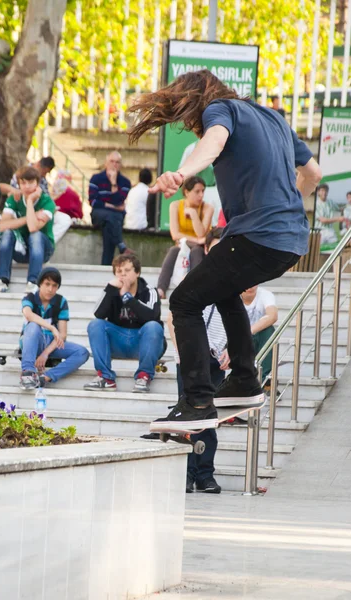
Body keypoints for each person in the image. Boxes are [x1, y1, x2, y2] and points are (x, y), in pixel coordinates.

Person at [128, 68, 321, 432]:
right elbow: (313, 174)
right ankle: (245, 381)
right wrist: (289, 206)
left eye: (190, 118)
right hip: (292, 240)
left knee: (184, 301)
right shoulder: (274, 119)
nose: (193, 126)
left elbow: (214, 141)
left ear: (200, 100)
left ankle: (197, 400)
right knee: (223, 288)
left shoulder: (220, 109)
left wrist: (181, 173)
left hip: (256, 237)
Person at [171, 228, 227, 494]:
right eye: (214, 248)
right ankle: (186, 474)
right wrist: (180, 348)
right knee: (187, 420)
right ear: (206, 250)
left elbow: (237, 322)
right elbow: (174, 316)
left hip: (215, 362)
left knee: (208, 421)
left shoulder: (233, 281)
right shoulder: (193, 278)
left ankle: (205, 475)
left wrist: (232, 351)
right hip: (190, 361)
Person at [84, 253, 165, 393]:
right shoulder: (112, 291)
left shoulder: (149, 291)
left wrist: (127, 297)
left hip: (143, 343)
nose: (123, 275)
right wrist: (110, 289)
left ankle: (143, 376)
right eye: (119, 272)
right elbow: (98, 314)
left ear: (137, 272)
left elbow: (152, 316)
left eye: (127, 271)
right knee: (95, 324)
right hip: (119, 341)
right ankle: (105, 377)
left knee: (153, 327)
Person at [0, 166, 56, 294]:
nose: (27, 186)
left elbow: (33, 227)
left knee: (35, 235)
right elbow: (2, 226)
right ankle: (2, 281)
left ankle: (33, 282)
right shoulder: (14, 199)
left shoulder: (47, 202)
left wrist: (30, 201)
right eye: (23, 183)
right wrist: (30, 217)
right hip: (21, 250)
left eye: (31, 182)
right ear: (18, 184)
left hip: (43, 250)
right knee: (7, 233)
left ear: (37, 183)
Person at [20, 266, 89, 389]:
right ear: (40, 284)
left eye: (54, 285)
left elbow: (62, 335)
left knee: (82, 352)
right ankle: (28, 373)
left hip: (52, 344)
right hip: (33, 341)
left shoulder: (61, 301)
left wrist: (45, 353)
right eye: (47, 284)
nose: (50, 289)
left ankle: (44, 378)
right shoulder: (30, 297)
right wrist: (52, 328)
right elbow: (28, 314)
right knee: (33, 326)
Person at [157, 176, 213, 299]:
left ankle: (194, 288)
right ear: (187, 192)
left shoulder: (208, 208)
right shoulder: (175, 205)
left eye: (203, 191)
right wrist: (197, 240)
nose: (201, 195)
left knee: (197, 250)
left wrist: (193, 214)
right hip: (183, 245)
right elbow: (175, 234)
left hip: (201, 248)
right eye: (197, 191)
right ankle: (160, 289)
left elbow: (201, 234)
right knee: (173, 250)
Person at [88, 151, 132, 265]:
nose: (114, 164)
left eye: (117, 162)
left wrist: (113, 184)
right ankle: (121, 246)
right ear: (106, 163)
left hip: (114, 219)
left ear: (120, 165)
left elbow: (117, 200)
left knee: (109, 226)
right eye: (111, 161)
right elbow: (93, 202)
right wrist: (113, 206)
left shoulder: (125, 182)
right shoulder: (96, 179)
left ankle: (105, 266)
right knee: (112, 216)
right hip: (99, 215)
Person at [241, 286, 278, 381]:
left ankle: (265, 381)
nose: (249, 286)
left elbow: (272, 316)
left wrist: (247, 333)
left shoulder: (264, 294)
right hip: (236, 339)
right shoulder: (231, 296)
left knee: (268, 330)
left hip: (256, 338)